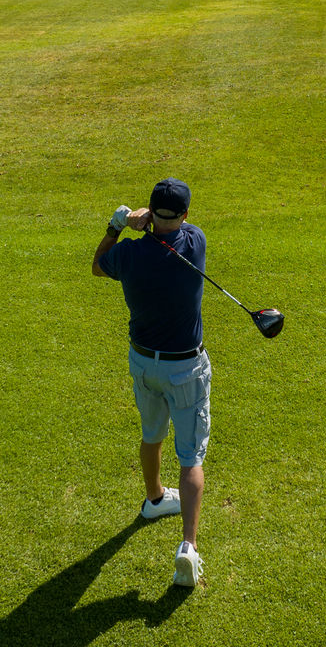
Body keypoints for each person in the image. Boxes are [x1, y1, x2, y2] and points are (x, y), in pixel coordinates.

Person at [91, 177, 211, 589]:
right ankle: (188, 549)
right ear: (185, 215)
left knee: (151, 435)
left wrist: (119, 224)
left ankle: (155, 499)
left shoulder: (126, 254)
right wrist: (150, 221)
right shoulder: (195, 243)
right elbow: (175, 230)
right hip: (186, 368)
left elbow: (97, 263)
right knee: (191, 455)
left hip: (144, 362)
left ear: (149, 210)